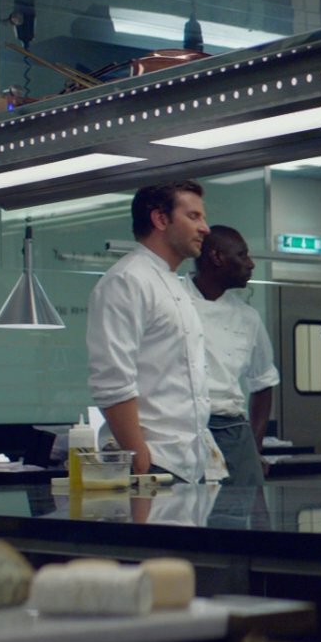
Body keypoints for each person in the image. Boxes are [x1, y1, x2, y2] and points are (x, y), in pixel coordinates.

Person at [87, 180, 221, 482]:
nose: (205, 228)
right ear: (160, 219)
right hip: (153, 462)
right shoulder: (126, 281)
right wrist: (139, 459)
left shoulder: (175, 284)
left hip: (189, 463)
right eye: (194, 216)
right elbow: (112, 380)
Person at [188, 225, 280, 488]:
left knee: (242, 510)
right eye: (242, 255)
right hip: (185, 428)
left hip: (233, 431)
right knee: (185, 509)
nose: (250, 264)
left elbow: (264, 382)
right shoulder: (174, 302)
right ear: (217, 257)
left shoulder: (248, 317)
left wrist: (254, 447)